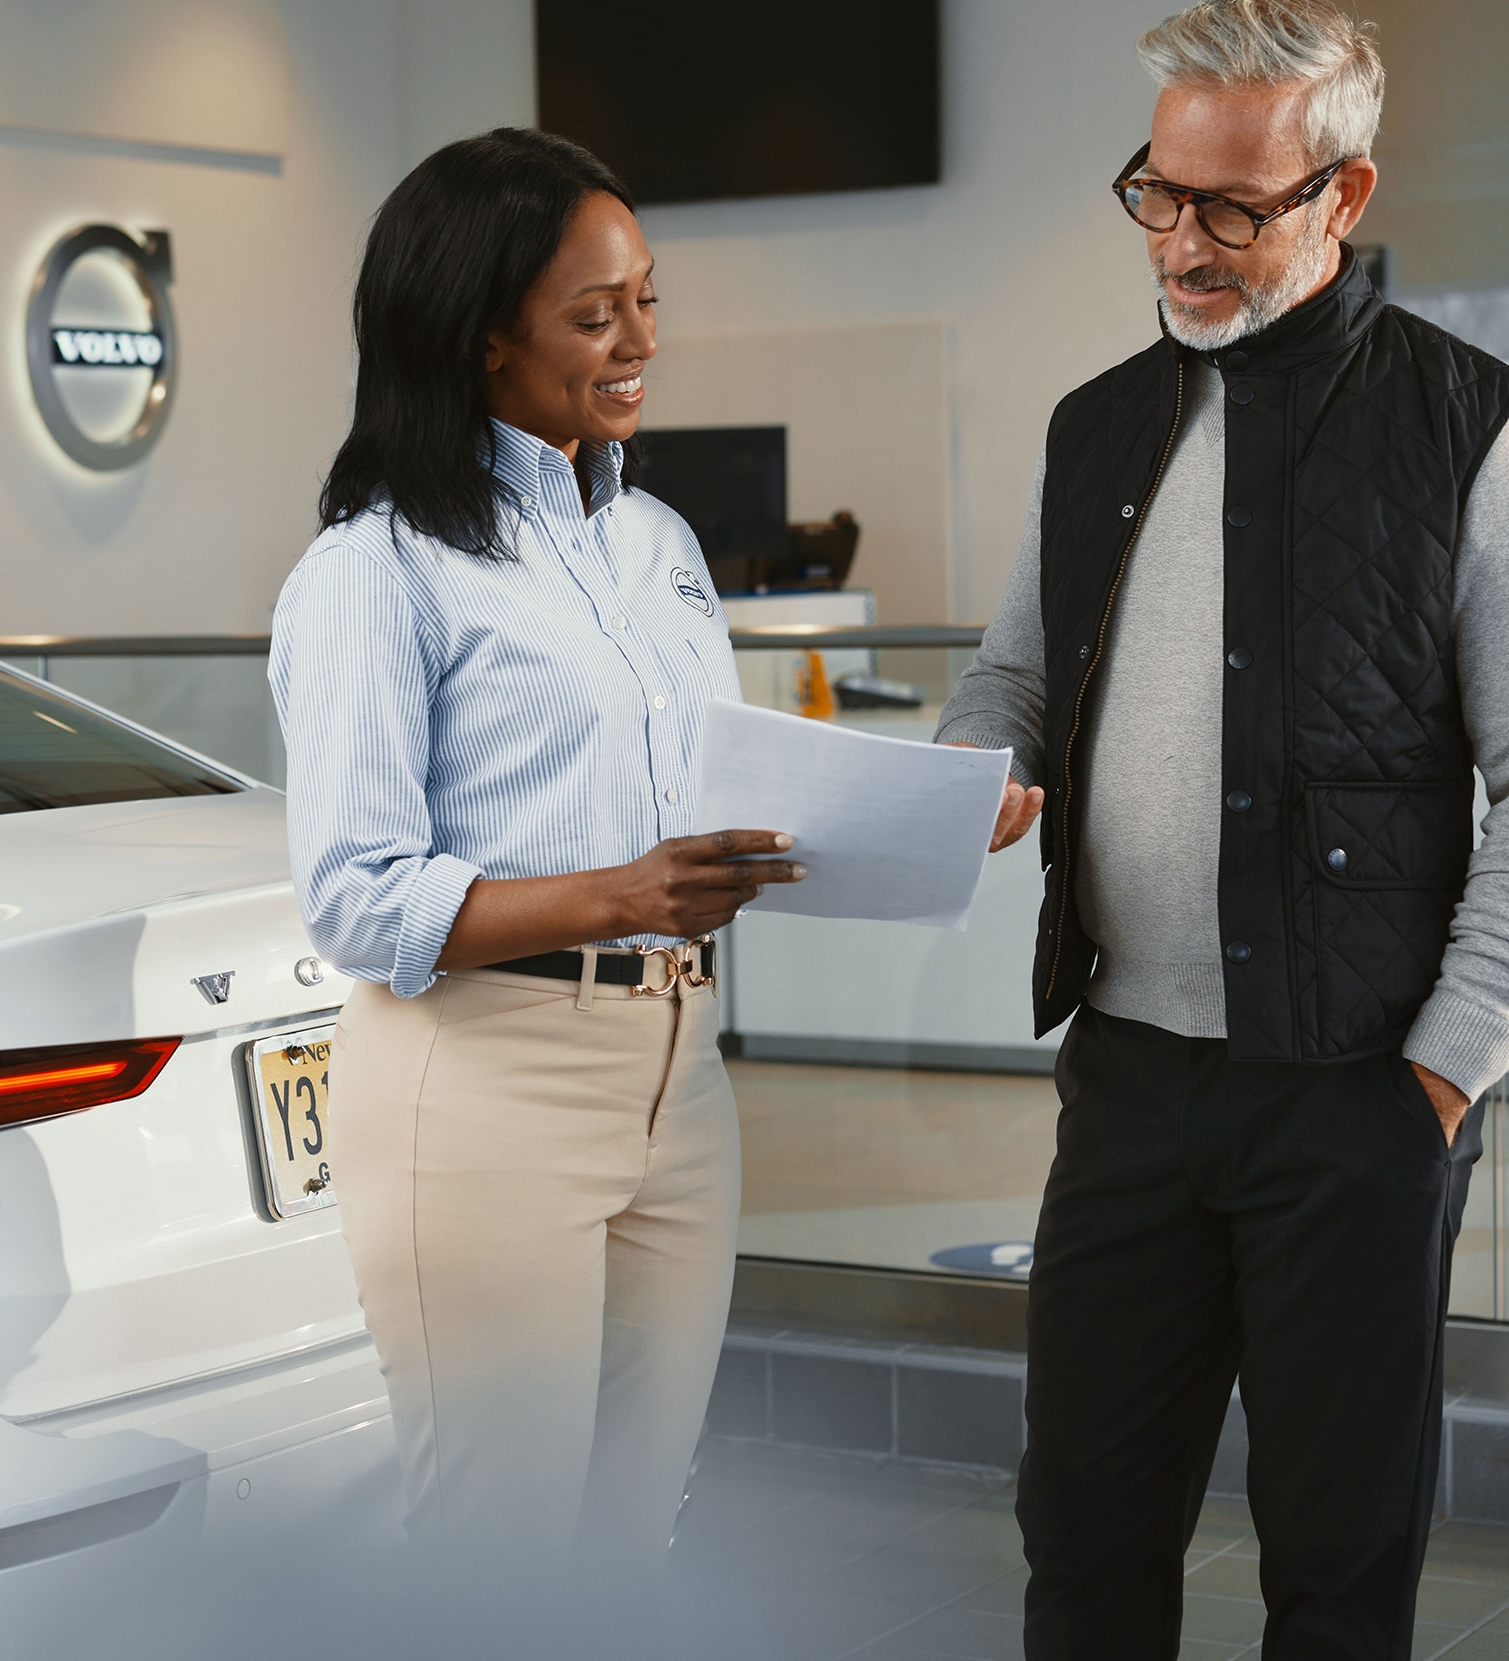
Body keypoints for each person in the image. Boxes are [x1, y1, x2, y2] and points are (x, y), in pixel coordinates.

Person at [936, 2, 1509, 1653]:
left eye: (1235, 208)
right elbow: (1013, 674)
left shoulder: (1465, 426)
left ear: (1345, 192)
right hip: (1128, 1087)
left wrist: (1441, 1076)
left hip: (1360, 1094)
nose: (1183, 243)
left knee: (1338, 1569)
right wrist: (983, 755)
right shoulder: (1093, 424)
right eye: (1159, 195)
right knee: (1085, 1540)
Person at [266, 128, 811, 1567]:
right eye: (593, 313)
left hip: (680, 1081)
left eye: (647, 298)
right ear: (481, 336)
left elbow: (705, 788)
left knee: (630, 1545)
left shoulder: (661, 545)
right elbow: (357, 893)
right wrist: (624, 891)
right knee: (496, 1559)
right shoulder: (376, 569)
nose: (638, 340)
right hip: (485, 1086)